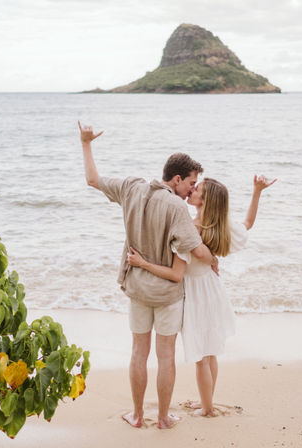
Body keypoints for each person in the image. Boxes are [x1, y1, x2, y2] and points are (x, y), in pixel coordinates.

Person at [78, 121, 217, 429]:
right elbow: (197, 251)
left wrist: (86, 143)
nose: (192, 190)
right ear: (177, 179)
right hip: (167, 294)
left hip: (138, 289)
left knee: (138, 353)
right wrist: (216, 258)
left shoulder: (131, 187)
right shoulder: (178, 209)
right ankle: (164, 418)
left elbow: (92, 179)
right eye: (191, 184)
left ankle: (138, 415)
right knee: (165, 356)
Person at [127, 174, 276, 417]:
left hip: (195, 293)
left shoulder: (192, 229)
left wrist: (143, 263)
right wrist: (257, 192)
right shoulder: (220, 225)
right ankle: (207, 399)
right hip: (213, 290)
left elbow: (177, 273)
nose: (193, 189)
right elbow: (248, 223)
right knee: (210, 353)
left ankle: (207, 408)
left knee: (202, 359)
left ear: (204, 200)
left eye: (198, 188)